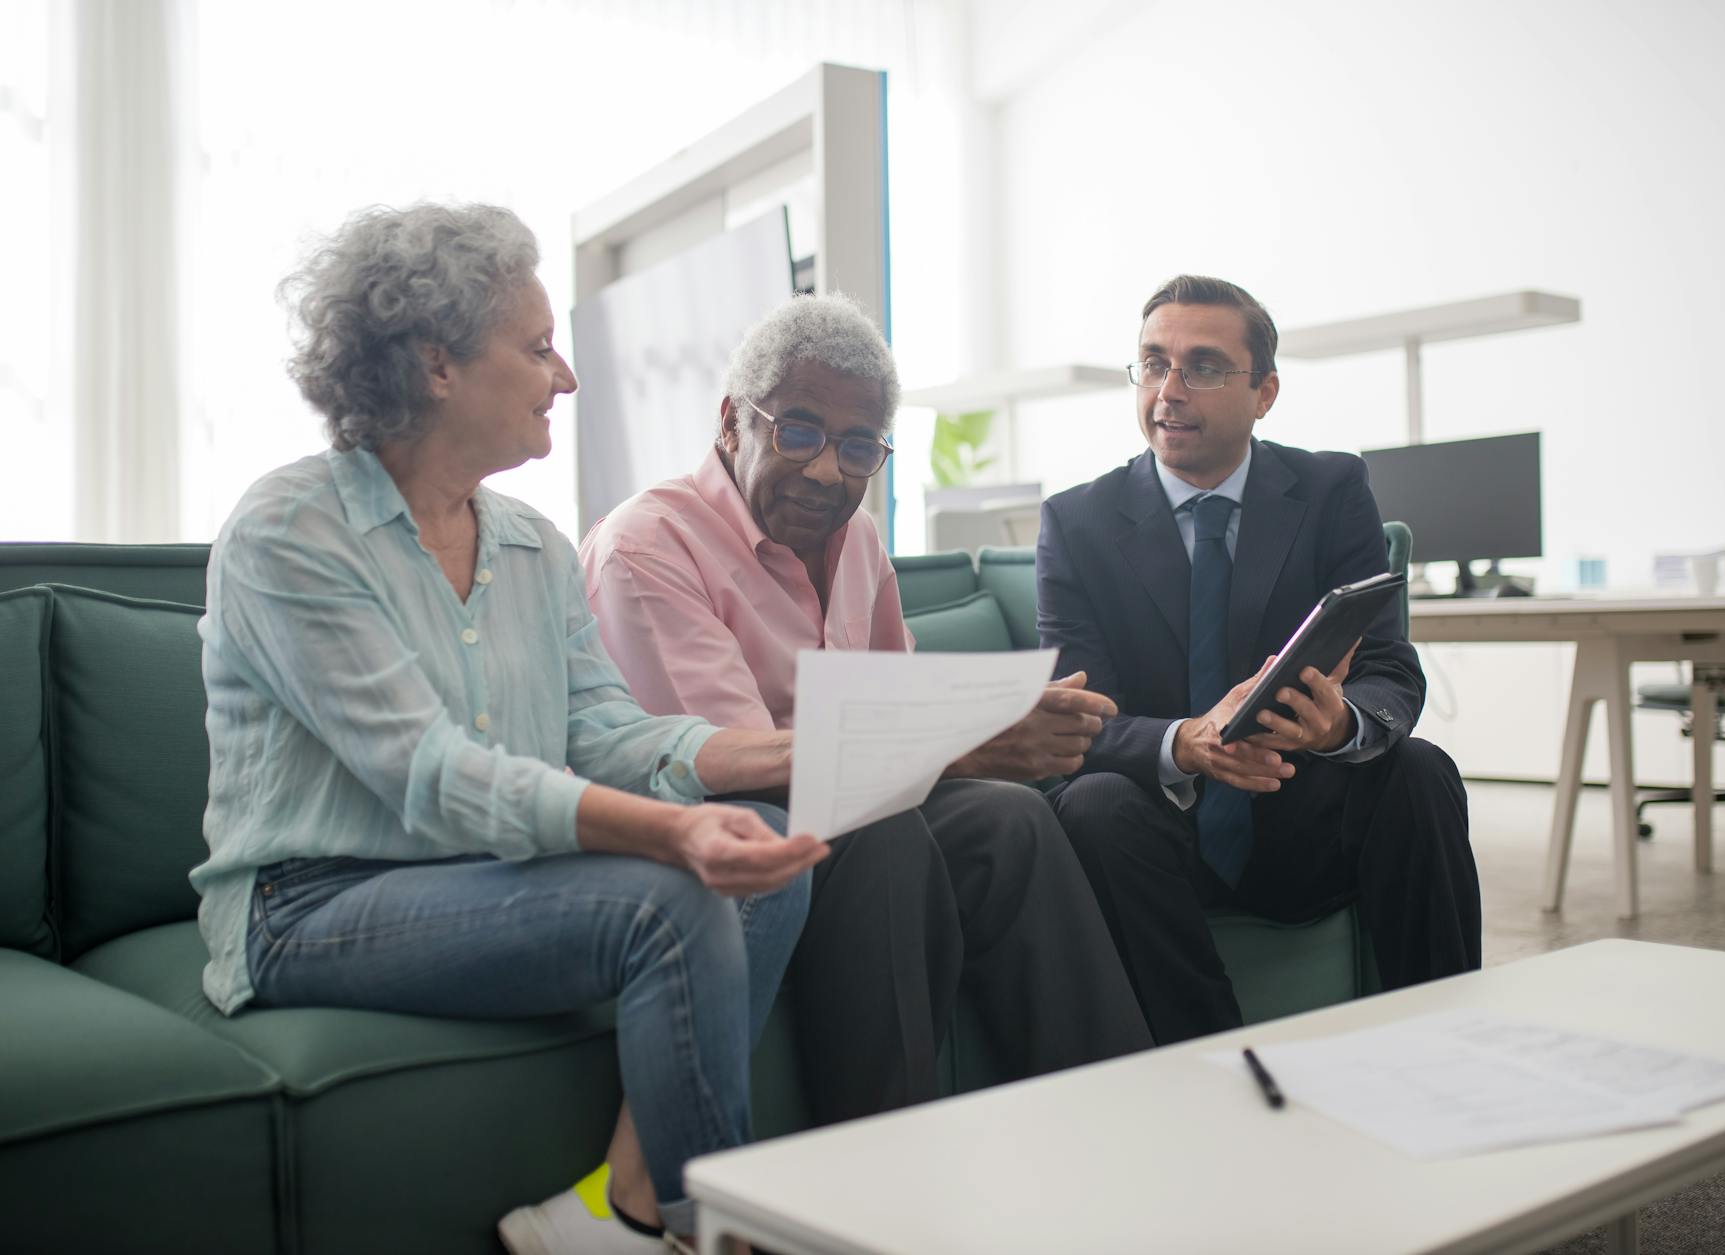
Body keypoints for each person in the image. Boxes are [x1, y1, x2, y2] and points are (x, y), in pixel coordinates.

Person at [192, 202, 825, 1255]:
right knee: (674, 894)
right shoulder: (287, 530)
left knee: (770, 859)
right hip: (310, 902)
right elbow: (432, 771)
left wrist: (792, 753)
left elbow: (610, 732)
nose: (564, 377)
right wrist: (668, 833)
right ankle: (710, 1232)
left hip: (480, 875)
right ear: (437, 364)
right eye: (536, 348)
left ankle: (612, 1213)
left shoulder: (530, 543)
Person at [578, 292, 1153, 1126]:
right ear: (734, 420)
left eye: (858, 447)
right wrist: (975, 740)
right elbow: (735, 761)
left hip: (847, 809)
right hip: (721, 831)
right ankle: (879, 1162)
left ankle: (1118, 1120)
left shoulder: (859, 541)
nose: (827, 471)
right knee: (883, 833)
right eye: (800, 431)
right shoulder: (647, 545)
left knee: (1012, 821)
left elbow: (899, 703)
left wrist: (993, 728)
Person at [1038, 274, 1481, 1046]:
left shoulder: (1331, 487)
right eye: (1152, 364)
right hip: (1157, 835)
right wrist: (1184, 743)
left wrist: (1338, 723)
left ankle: (1446, 1043)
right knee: (1093, 805)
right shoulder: (1075, 523)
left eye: (1203, 367)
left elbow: (1390, 673)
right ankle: (1216, 1068)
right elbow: (1075, 722)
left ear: (1265, 391)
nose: (1169, 391)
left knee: (1421, 770)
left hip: (1304, 811)